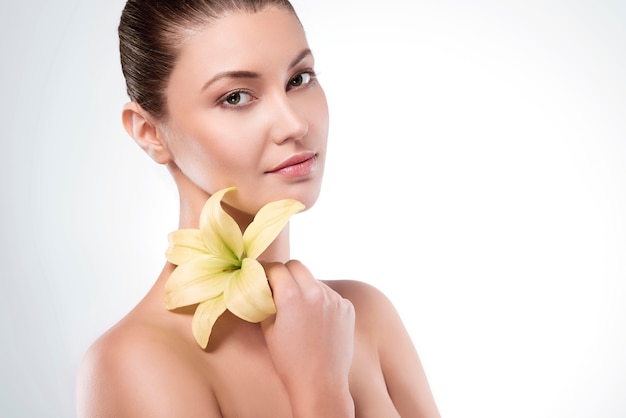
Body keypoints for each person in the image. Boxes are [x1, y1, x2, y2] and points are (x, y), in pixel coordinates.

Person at [76, 0, 440, 416]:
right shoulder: (133, 363)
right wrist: (320, 389)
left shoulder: (366, 315)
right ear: (150, 133)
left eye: (299, 78)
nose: (294, 124)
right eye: (235, 97)